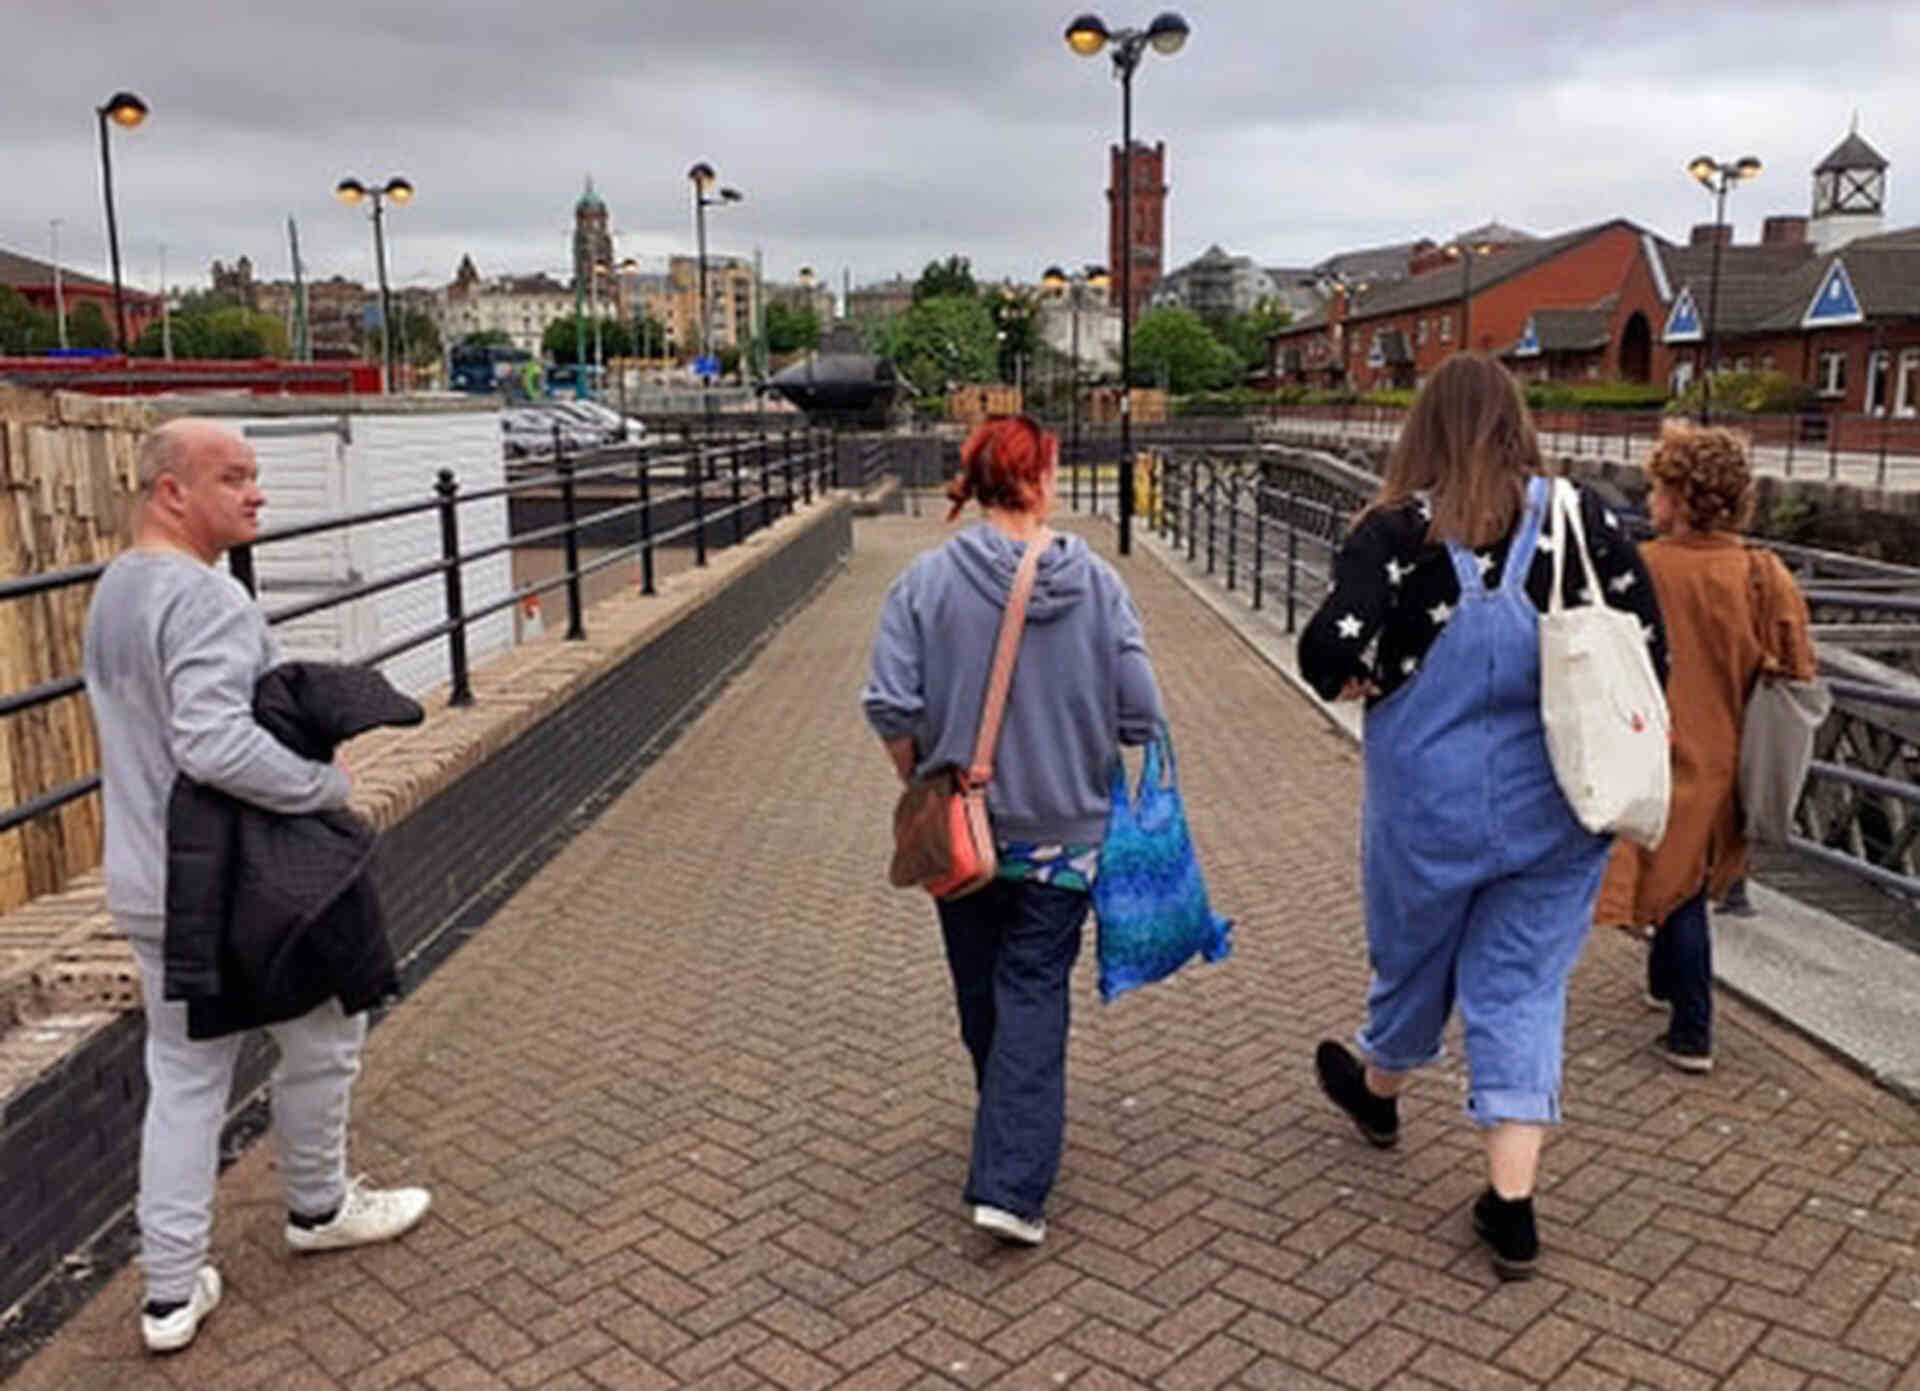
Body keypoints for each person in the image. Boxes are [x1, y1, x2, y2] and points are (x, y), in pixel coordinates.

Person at [1298, 356, 1668, 1281]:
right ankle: (1510, 1204)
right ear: (1516, 422)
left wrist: (1364, 675)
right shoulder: (1583, 519)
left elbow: (1325, 647)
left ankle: (1380, 1090)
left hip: (1429, 802)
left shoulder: (1398, 532)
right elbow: (1648, 648)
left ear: (1423, 427)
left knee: (1416, 949)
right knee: (1522, 984)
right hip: (1559, 804)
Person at [84, 418, 431, 1355]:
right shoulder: (202, 599)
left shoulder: (116, 589)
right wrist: (322, 787)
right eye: (232, 477)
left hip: (148, 876)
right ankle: (317, 1204)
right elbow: (211, 740)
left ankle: (168, 1292)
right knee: (324, 1035)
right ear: (171, 493)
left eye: (256, 474)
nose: (257, 493)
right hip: (237, 884)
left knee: (187, 1080)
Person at [862, 414, 1163, 1246]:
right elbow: (1140, 714)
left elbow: (888, 703)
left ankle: (1010, 1159)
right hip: (1066, 832)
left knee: (981, 987)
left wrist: (925, 778)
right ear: (1042, 477)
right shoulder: (1098, 585)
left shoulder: (924, 582)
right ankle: (1013, 1168)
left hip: (963, 827)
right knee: (1031, 987)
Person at [1596, 424, 1814, 1073]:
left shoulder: (1648, 567)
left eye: (1658, 488)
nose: (1650, 499)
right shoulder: (1761, 573)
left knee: (1674, 879)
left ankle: (1694, 1027)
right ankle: (1666, 986)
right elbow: (1797, 664)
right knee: (1688, 873)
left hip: (1657, 745)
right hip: (1730, 751)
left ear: (1681, 498)